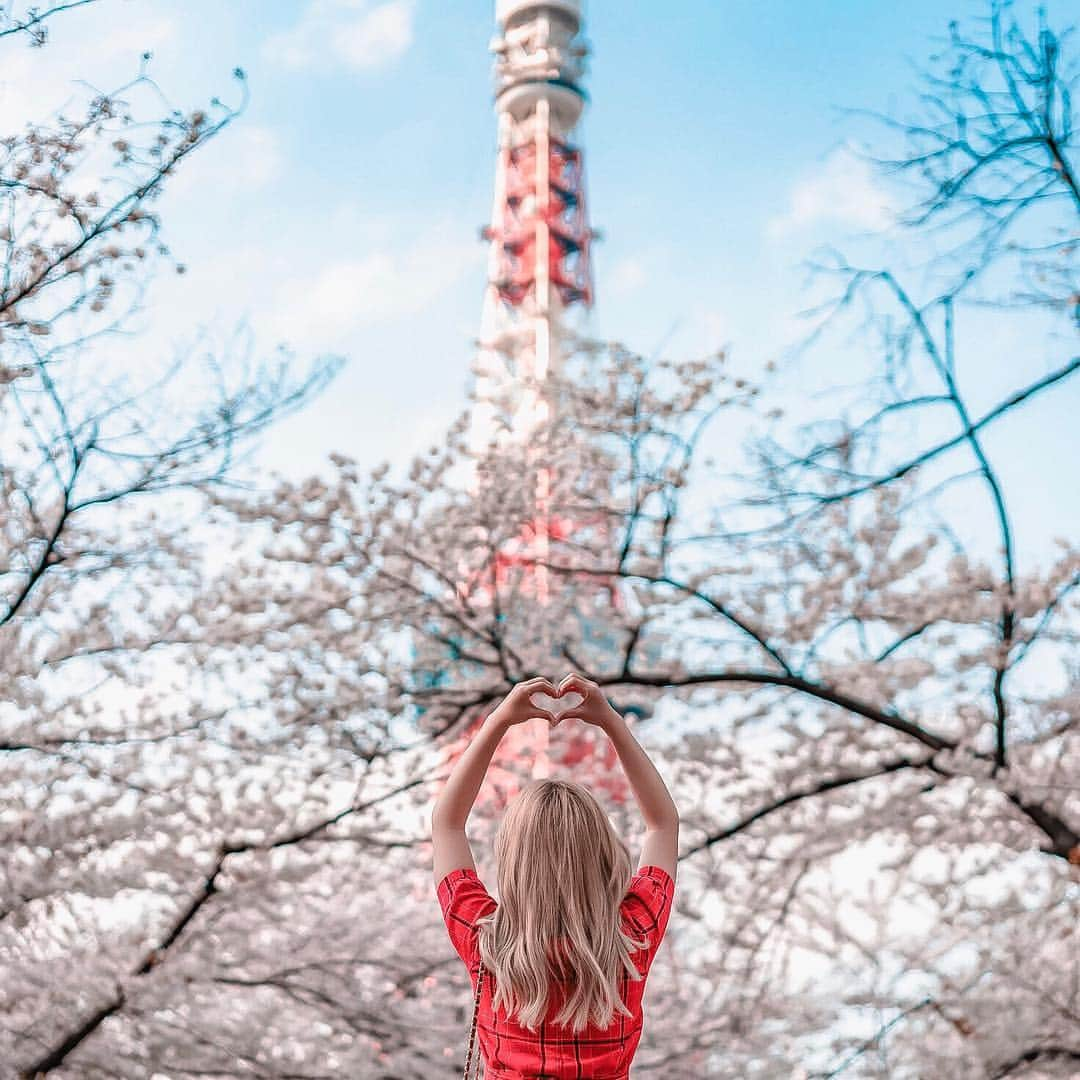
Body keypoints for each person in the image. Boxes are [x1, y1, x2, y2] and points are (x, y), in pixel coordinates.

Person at [431, 671, 679, 1079]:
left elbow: (446, 824)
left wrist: (499, 720)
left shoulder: (486, 944)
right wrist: (611, 722)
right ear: (602, 855)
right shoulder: (633, 940)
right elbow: (663, 824)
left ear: (513, 862)